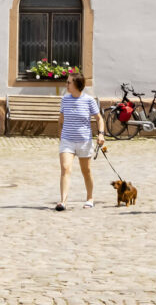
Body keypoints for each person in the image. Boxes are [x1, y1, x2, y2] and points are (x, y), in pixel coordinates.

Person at [54, 72, 104, 210]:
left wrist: (101, 134)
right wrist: (60, 135)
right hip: (67, 141)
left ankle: (90, 198)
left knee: (86, 171)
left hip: (84, 141)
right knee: (65, 168)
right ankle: (63, 201)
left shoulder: (89, 100)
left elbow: (99, 118)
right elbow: (61, 119)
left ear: (77, 84)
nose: (66, 84)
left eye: (69, 82)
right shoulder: (65, 100)